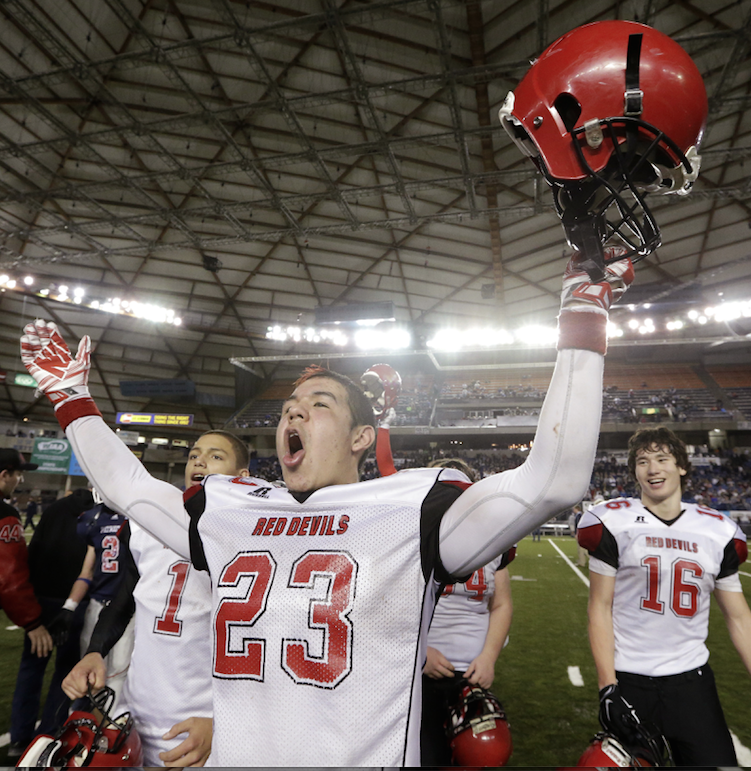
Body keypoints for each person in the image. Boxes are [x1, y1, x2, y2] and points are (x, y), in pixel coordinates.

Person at [18, 249, 631, 766]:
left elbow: (554, 478)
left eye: (319, 404)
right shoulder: (232, 512)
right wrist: (72, 400)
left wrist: (581, 312)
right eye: (289, 404)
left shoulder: (409, 508)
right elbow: (128, 486)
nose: (293, 410)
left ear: (364, 437)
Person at [578, 426, 751, 766]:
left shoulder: (717, 530)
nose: (653, 469)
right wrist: (607, 686)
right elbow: (598, 608)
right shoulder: (613, 521)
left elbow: (740, 619)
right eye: (643, 461)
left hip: (692, 684)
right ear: (634, 471)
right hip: (631, 680)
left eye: (662, 459)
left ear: (682, 467)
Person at [61, 430, 251, 767]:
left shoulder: (253, 532)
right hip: (136, 714)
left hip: (202, 725)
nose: (200, 461)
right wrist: (95, 652)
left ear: (243, 477)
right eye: (194, 455)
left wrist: (224, 722)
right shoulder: (146, 522)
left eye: (215, 456)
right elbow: (125, 599)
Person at [421, 457, 515, 766]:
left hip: (473, 676)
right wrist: (420, 654)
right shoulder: (416, 538)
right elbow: (387, 610)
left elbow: (501, 604)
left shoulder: (491, 541)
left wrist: (489, 658)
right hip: (421, 674)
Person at [9, 487, 94, 757]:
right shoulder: (98, 514)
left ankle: (18, 739)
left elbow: (33, 553)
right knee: (66, 670)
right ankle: (48, 735)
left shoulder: (55, 509)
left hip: (43, 600)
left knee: (31, 669)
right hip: (75, 602)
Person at [0, 448, 54, 759]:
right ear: (4, 474)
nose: (20, 480)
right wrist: (33, 622)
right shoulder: (5, 516)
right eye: (18, 474)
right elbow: (9, 578)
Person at [54, 500, 135, 701]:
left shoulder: (136, 516)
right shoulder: (94, 519)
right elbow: (86, 573)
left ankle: (110, 727)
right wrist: (69, 606)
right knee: (89, 670)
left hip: (127, 608)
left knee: (118, 673)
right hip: (97, 604)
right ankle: (90, 724)